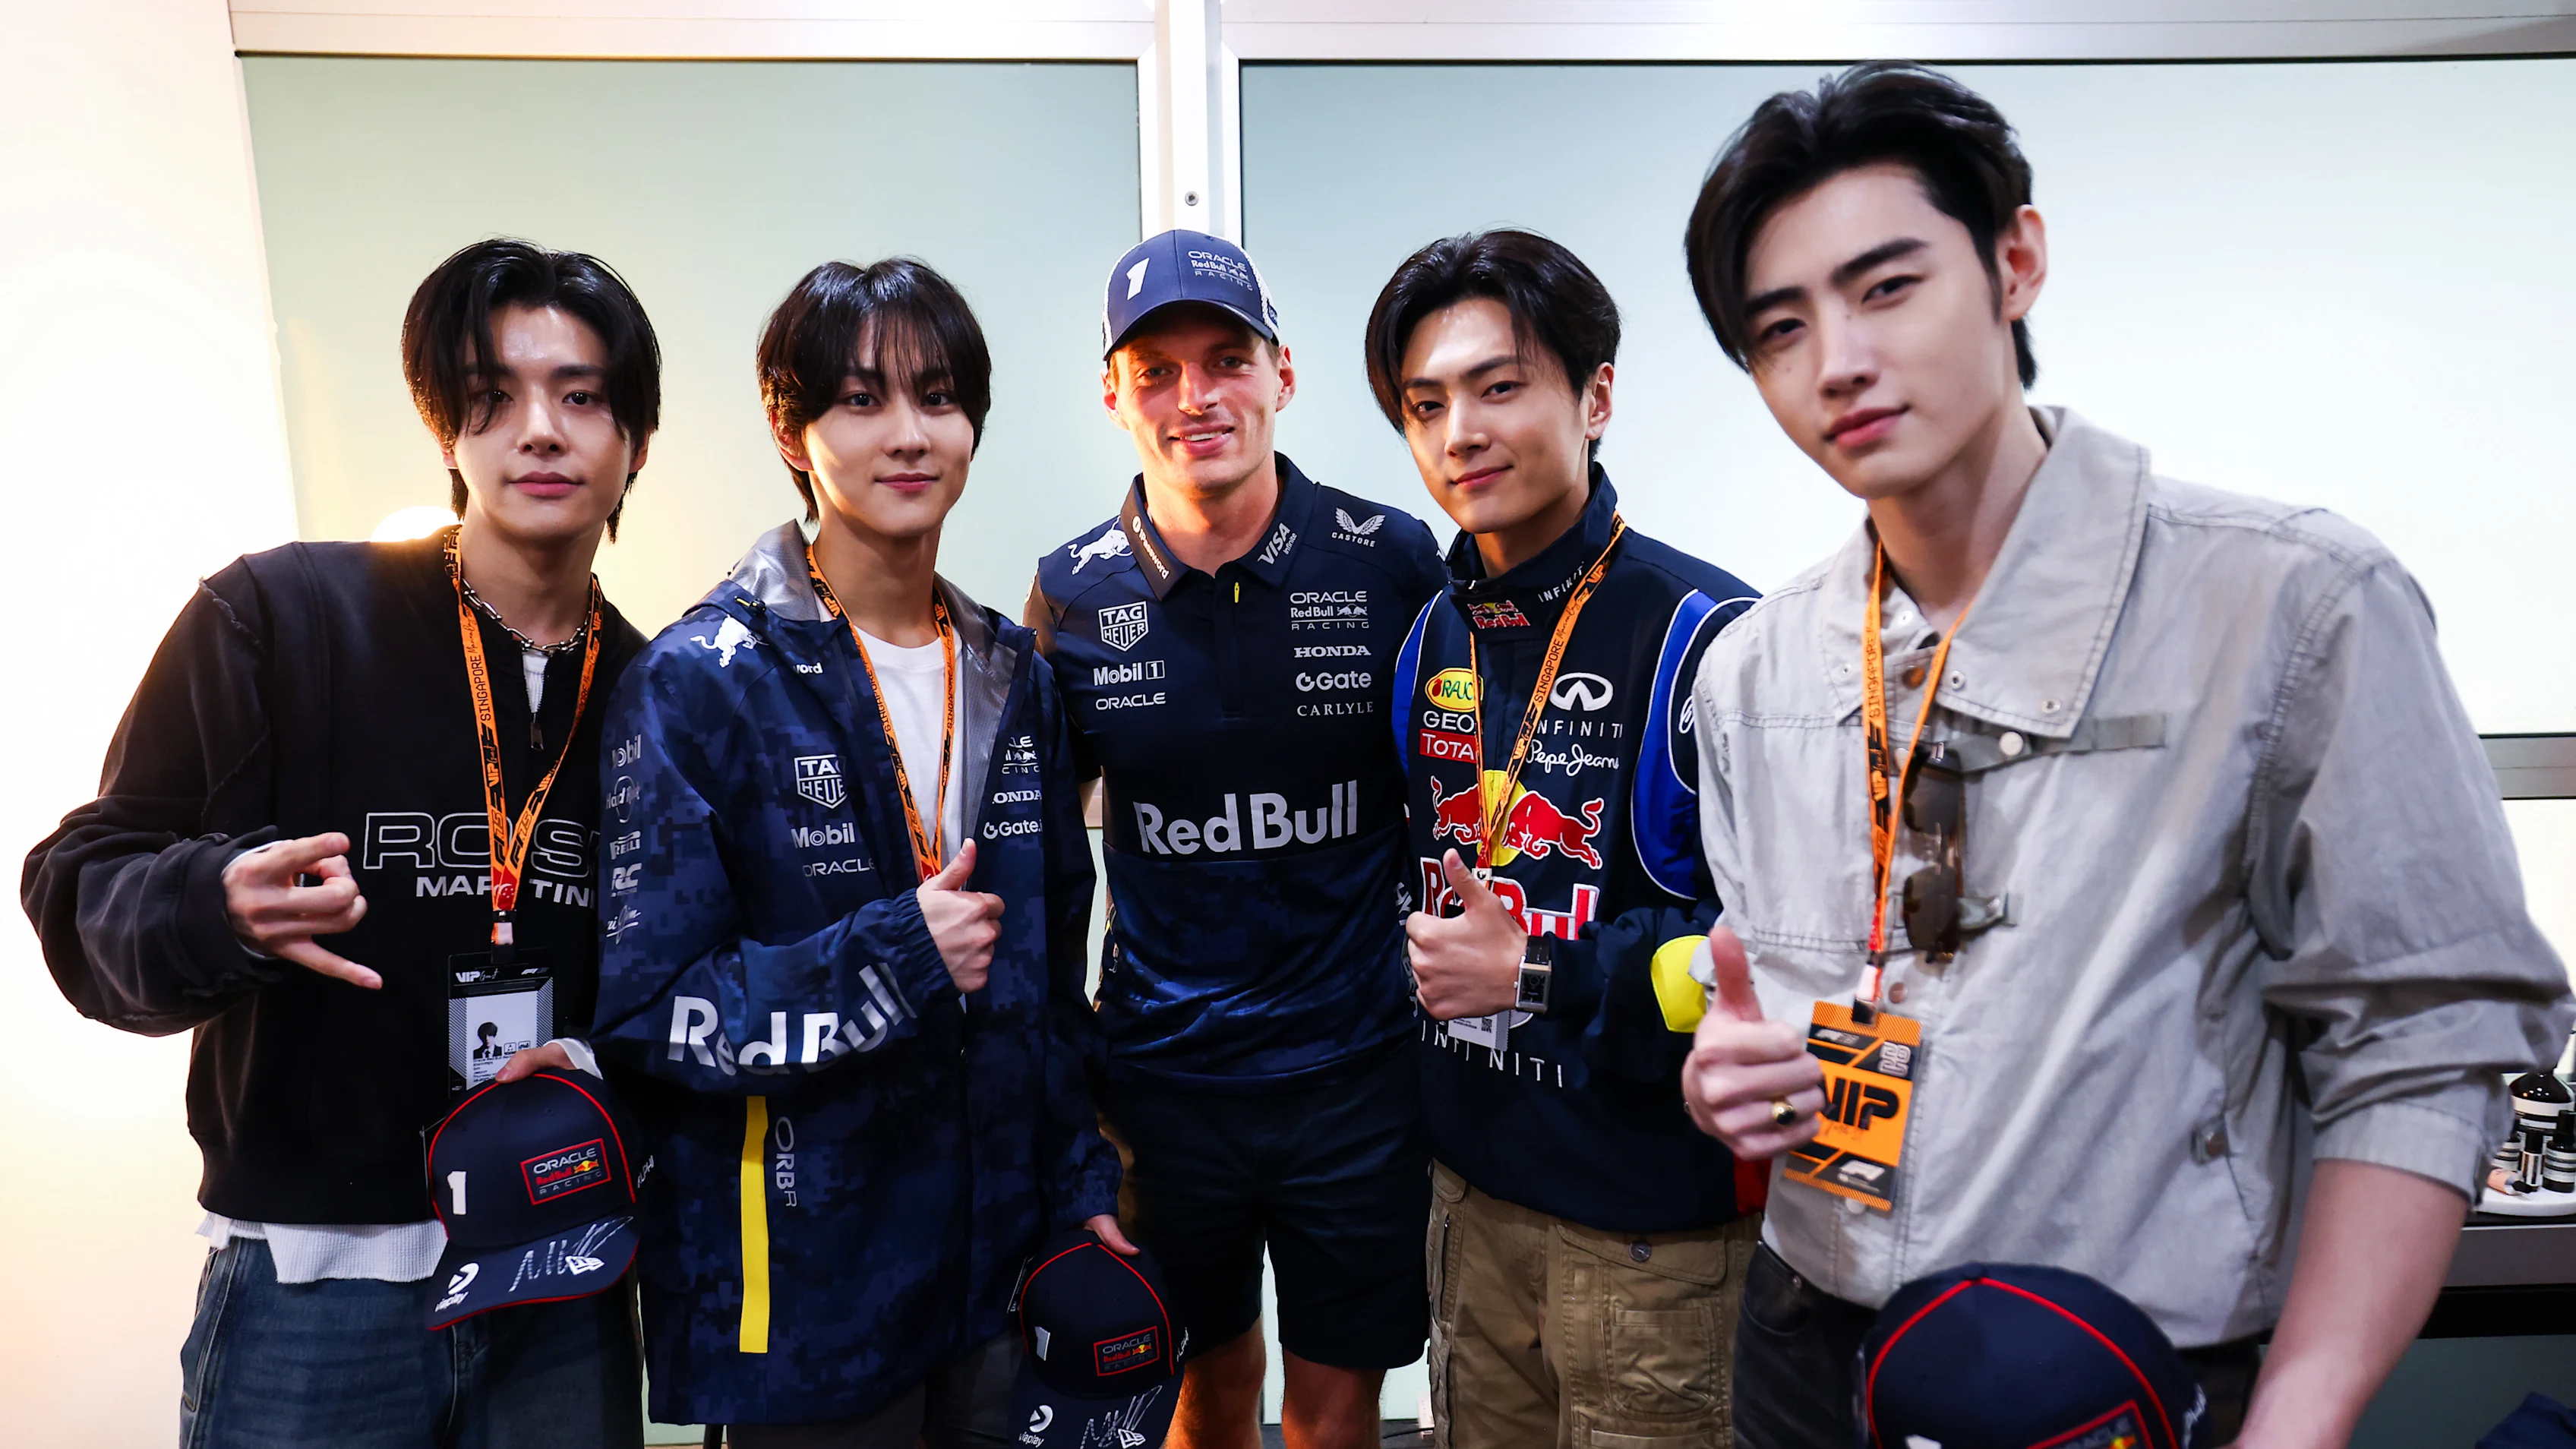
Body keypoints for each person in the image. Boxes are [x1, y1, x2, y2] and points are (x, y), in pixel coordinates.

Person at [1672, 62, 2573, 1449]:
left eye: (1888, 286)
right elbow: (1796, 994)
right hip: (1808, 1344)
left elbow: (2425, 1041)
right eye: (1778, 329)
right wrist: (1734, 1068)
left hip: (2135, 1368)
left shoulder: (2293, 605)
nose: (1836, 360)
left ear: (2014, 262)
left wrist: (2302, 1413)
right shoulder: (1753, 669)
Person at [20, 237, 658, 1447]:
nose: (540, 430)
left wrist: (604, 1069)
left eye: (581, 396)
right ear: (448, 429)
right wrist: (210, 905)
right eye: (495, 396)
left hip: (561, 1286)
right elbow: (74, 880)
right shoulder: (279, 615)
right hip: (314, 1298)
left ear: (632, 439)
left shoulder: (660, 689)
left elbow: (682, 979)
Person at [576, 257, 1122, 1446]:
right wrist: (894, 956)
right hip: (809, 1306)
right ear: (791, 425)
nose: (910, 434)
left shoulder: (1015, 676)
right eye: (861, 400)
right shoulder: (701, 683)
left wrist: (1081, 1190)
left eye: (938, 395)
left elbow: (1050, 996)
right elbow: (652, 1013)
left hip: (1001, 1280)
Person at [1025, 229, 1445, 1449]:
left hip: (1354, 1080)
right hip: (1165, 1091)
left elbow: (1451, 803)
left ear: (1284, 374)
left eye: (1227, 359)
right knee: (1201, 1403)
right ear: (1114, 395)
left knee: (1334, 1413)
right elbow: (1048, 863)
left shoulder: (1390, 561)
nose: (1194, 397)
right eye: (1155, 370)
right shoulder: (1074, 591)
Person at [1369, 229, 1766, 1447]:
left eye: (1500, 387)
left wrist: (1534, 973)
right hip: (1471, 1207)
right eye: (1425, 404)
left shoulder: (1712, 636)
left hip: (1650, 1241)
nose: (1459, 435)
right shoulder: (1431, 634)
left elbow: (1773, 955)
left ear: (1595, 397)